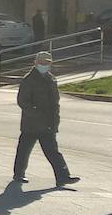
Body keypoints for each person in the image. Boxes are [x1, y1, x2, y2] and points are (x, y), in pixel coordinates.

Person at [14, 51, 79, 187]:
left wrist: (55, 121)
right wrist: (36, 113)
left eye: (47, 63)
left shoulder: (51, 79)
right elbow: (22, 101)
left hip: (47, 123)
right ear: (36, 63)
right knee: (24, 150)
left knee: (53, 151)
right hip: (31, 123)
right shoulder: (29, 79)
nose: (45, 65)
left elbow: (55, 103)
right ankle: (19, 174)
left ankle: (63, 176)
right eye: (42, 62)